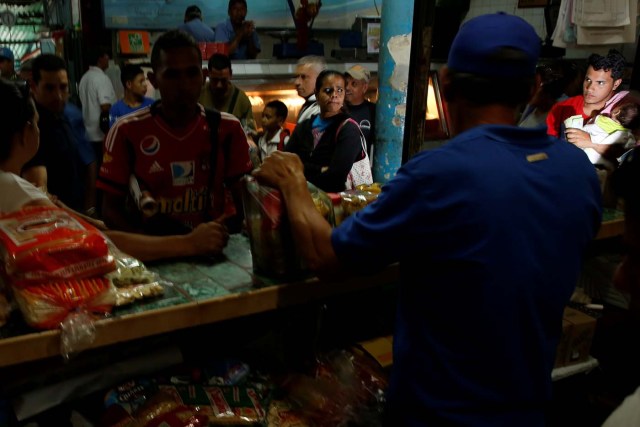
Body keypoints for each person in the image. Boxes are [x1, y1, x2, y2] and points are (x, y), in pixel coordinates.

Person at [253, 12, 602, 426]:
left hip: (435, 414)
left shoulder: (439, 174)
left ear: (446, 84)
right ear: (532, 88)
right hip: (528, 409)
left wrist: (293, 181)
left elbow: (327, 260)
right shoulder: (577, 172)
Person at [0, 78, 231, 262]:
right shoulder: (18, 193)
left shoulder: (15, 187)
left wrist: (64, 209)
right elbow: (101, 242)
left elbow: (93, 226)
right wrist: (189, 244)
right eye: (37, 123)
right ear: (25, 131)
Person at [98, 29, 252, 237]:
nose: (184, 84)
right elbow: (110, 211)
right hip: (154, 258)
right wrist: (162, 248)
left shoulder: (229, 129)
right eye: (172, 75)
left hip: (214, 252)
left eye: (191, 73)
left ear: (203, 76)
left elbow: (246, 201)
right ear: (153, 80)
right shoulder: (126, 131)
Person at [20, 54, 95, 214]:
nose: (58, 95)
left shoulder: (67, 116)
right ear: (33, 86)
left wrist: (89, 209)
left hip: (78, 214)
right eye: (49, 88)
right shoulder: (30, 128)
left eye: (63, 87)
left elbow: (87, 163)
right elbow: (39, 189)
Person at [285, 69, 368, 193]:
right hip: (303, 200)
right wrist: (319, 169)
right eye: (328, 90)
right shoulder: (304, 126)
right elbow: (287, 162)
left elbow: (336, 177)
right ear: (317, 94)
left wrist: (301, 170)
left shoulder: (348, 129)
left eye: (340, 90)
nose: (334, 94)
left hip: (336, 204)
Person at [547, 49, 629, 164]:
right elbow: (548, 148)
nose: (590, 88)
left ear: (616, 84)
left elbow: (629, 156)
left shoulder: (624, 113)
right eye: (588, 80)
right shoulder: (562, 107)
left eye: (600, 83)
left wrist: (592, 143)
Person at [568, 101, 639, 170]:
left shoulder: (601, 119)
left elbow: (589, 124)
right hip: (597, 166)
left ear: (617, 112)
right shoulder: (627, 135)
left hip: (579, 150)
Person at [199, 53, 256, 138]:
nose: (219, 85)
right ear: (208, 74)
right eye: (215, 80)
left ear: (231, 74)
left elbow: (249, 132)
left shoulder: (241, 99)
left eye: (223, 80)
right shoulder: (199, 93)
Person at [79, 47, 117, 158]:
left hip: (88, 133)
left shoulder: (85, 77)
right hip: (101, 134)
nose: (108, 58)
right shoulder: (101, 78)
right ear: (100, 59)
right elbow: (105, 106)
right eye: (106, 56)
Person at [344, 64, 376, 157]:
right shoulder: (337, 110)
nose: (347, 88)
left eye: (354, 84)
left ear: (364, 88)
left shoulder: (373, 111)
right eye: (346, 83)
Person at [294, 55, 326, 123]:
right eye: (296, 77)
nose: (297, 82)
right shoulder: (310, 105)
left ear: (320, 78)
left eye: (303, 77)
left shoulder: (321, 109)